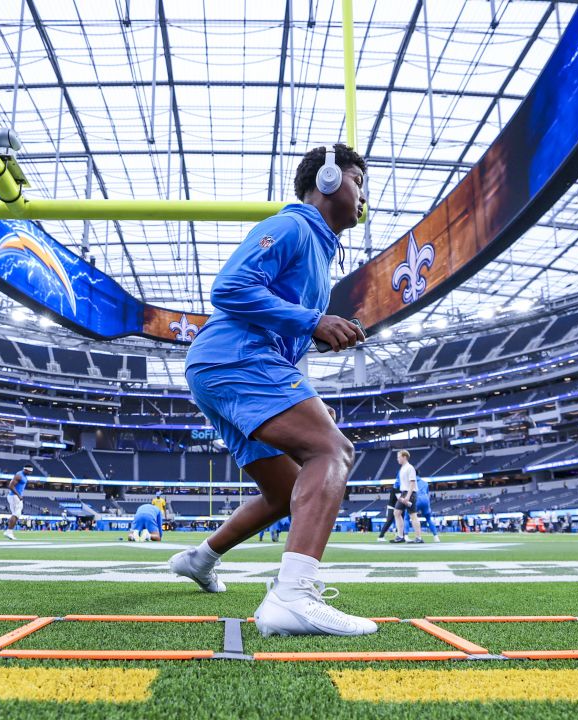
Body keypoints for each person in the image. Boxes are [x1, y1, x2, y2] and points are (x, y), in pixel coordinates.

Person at [168, 144, 374, 637]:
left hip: (224, 366)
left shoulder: (318, 248)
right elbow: (229, 289)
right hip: (234, 357)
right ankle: (293, 596)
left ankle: (200, 558)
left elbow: (274, 309)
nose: (364, 195)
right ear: (327, 180)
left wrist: (313, 330)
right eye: (358, 181)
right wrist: (312, 320)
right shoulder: (293, 226)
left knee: (284, 492)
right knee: (332, 450)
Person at [390, 450, 426, 544]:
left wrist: (408, 496)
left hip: (410, 493)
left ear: (404, 457)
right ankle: (400, 536)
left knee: (413, 515)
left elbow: (412, 483)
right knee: (396, 513)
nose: (397, 459)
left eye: (399, 457)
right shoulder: (402, 469)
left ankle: (419, 538)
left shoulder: (410, 468)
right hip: (404, 493)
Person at [5, 464, 32, 540]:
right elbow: (10, 486)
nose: (30, 473)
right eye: (29, 471)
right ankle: (9, 532)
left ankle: (9, 531)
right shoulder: (19, 475)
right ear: (26, 470)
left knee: (17, 514)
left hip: (17, 497)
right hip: (14, 496)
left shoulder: (23, 476)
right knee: (16, 514)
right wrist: (18, 495)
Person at [414, 474, 441, 542]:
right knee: (429, 519)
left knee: (408, 517)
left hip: (416, 500)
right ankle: (436, 536)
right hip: (425, 500)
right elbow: (427, 493)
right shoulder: (425, 483)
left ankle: (406, 535)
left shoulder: (412, 481)